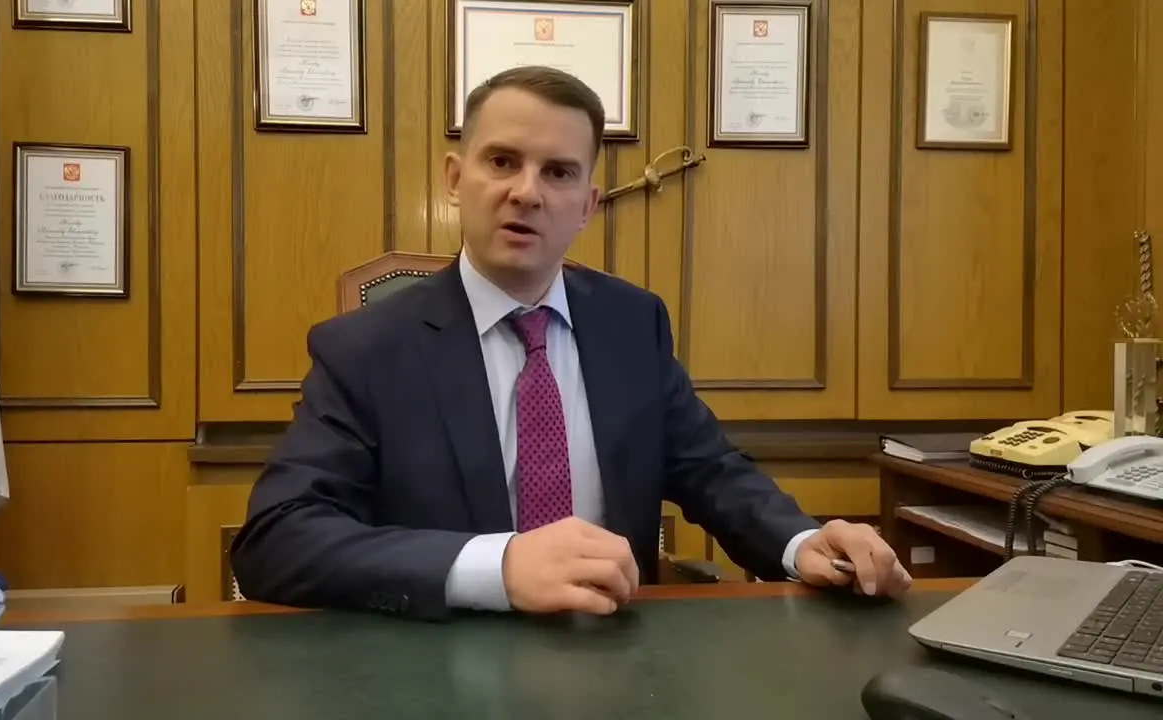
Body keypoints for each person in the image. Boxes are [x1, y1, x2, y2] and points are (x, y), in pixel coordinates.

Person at [229, 66, 911, 621]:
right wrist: (497, 568)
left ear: (586, 205)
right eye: (502, 161)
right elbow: (278, 539)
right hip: (439, 661)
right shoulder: (366, 349)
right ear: (455, 180)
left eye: (558, 172)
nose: (526, 193)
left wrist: (801, 541)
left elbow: (708, 470)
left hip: (616, 655)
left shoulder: (632, 324)